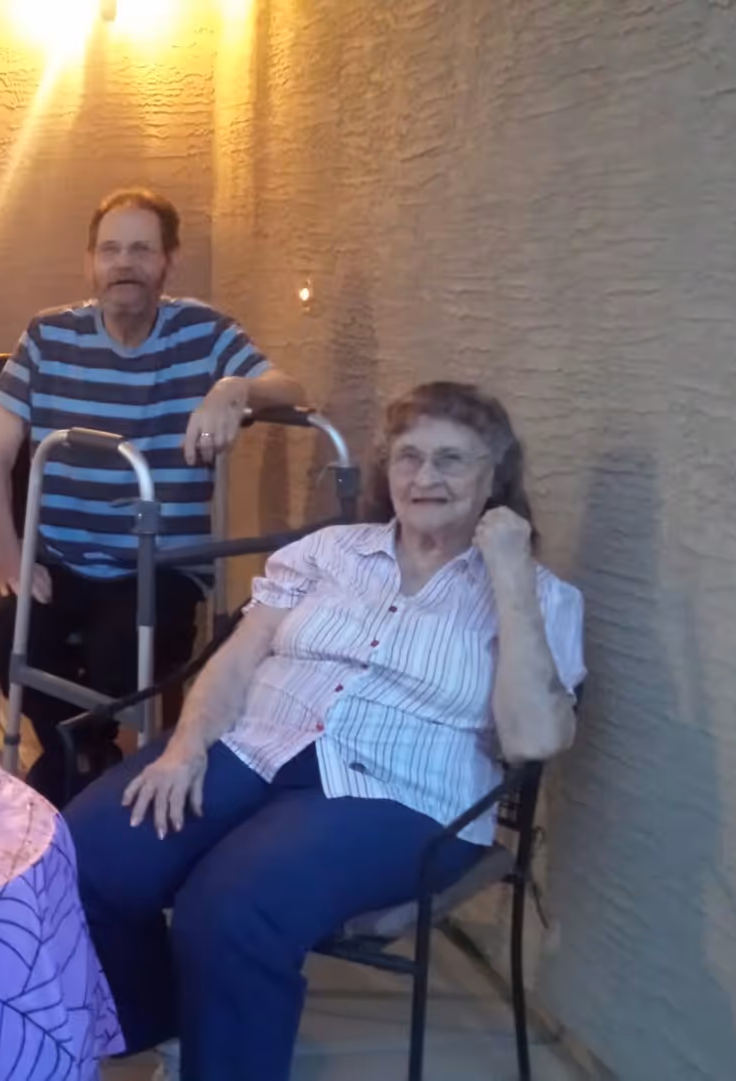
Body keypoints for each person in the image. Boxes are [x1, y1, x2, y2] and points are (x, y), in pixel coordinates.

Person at [65, 382, 587, 1081]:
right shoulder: (329, 552)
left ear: (496, 475)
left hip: (396, 794)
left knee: (231, 908)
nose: (425, 477)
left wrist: (511, 575)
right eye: (408, 457)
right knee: (84, 855)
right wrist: (186, 746)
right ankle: (164, 1025)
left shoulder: (539, 594)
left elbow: (531, 739)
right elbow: (240, 657)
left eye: (452, 459)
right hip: (252, 743)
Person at [0, 187, 306, 805]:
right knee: (7, 629)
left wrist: (236, 389)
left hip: (160, 565)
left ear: (167, 262)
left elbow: (289, 388)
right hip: (62, 556)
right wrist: (10, 555)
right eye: (110, 250)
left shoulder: (205, 333)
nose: (124, 264)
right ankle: (84, 760)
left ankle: (69, 776)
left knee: (122, 648)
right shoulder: (47, 337)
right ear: (90, 263)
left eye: (141, 250)